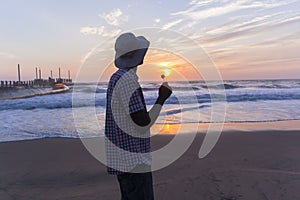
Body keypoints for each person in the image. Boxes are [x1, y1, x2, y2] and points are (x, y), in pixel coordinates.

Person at [105, 32, 172, 200]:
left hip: (123, 160)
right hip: (133, 161)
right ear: (140, 56)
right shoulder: (128, 80)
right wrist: (161, 99)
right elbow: (143, 123)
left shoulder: (117, 77)